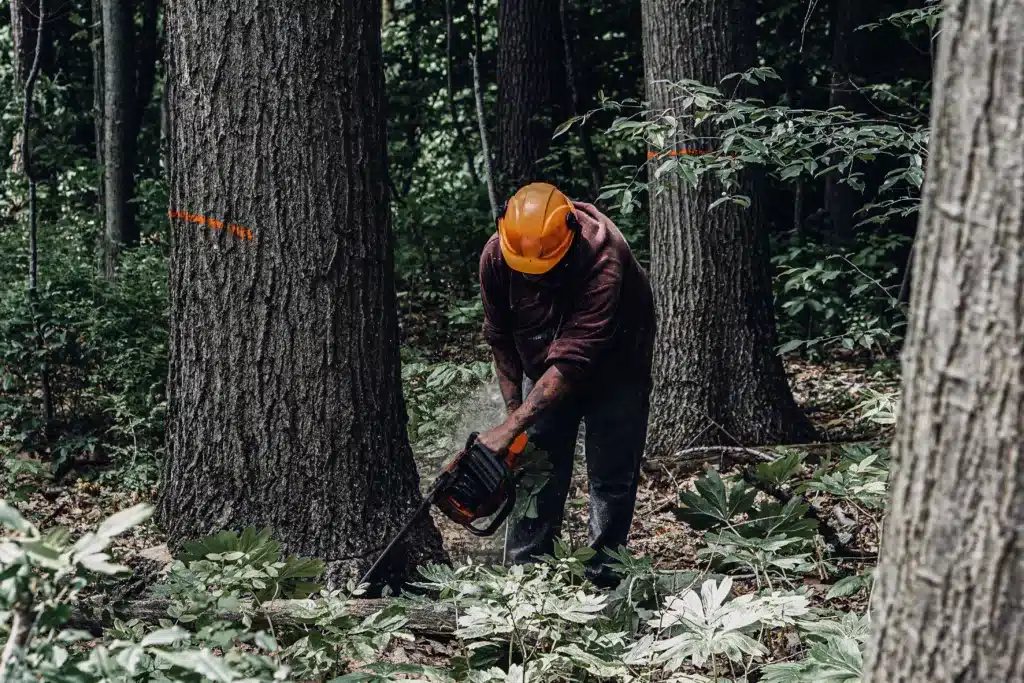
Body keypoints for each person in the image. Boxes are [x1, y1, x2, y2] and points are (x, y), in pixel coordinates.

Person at [475, 182, 656, 587]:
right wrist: (512, 418)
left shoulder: (604, 258)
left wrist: (511, 427)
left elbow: (572, 363)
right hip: (546, 364)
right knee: (537, 465)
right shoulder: (498, 254)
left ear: (569, 237)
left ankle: (604, 578)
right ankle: (527, 578)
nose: (530, 276)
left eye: (542, 270)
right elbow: (501, 337)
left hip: (618, 366)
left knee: (611, 472)